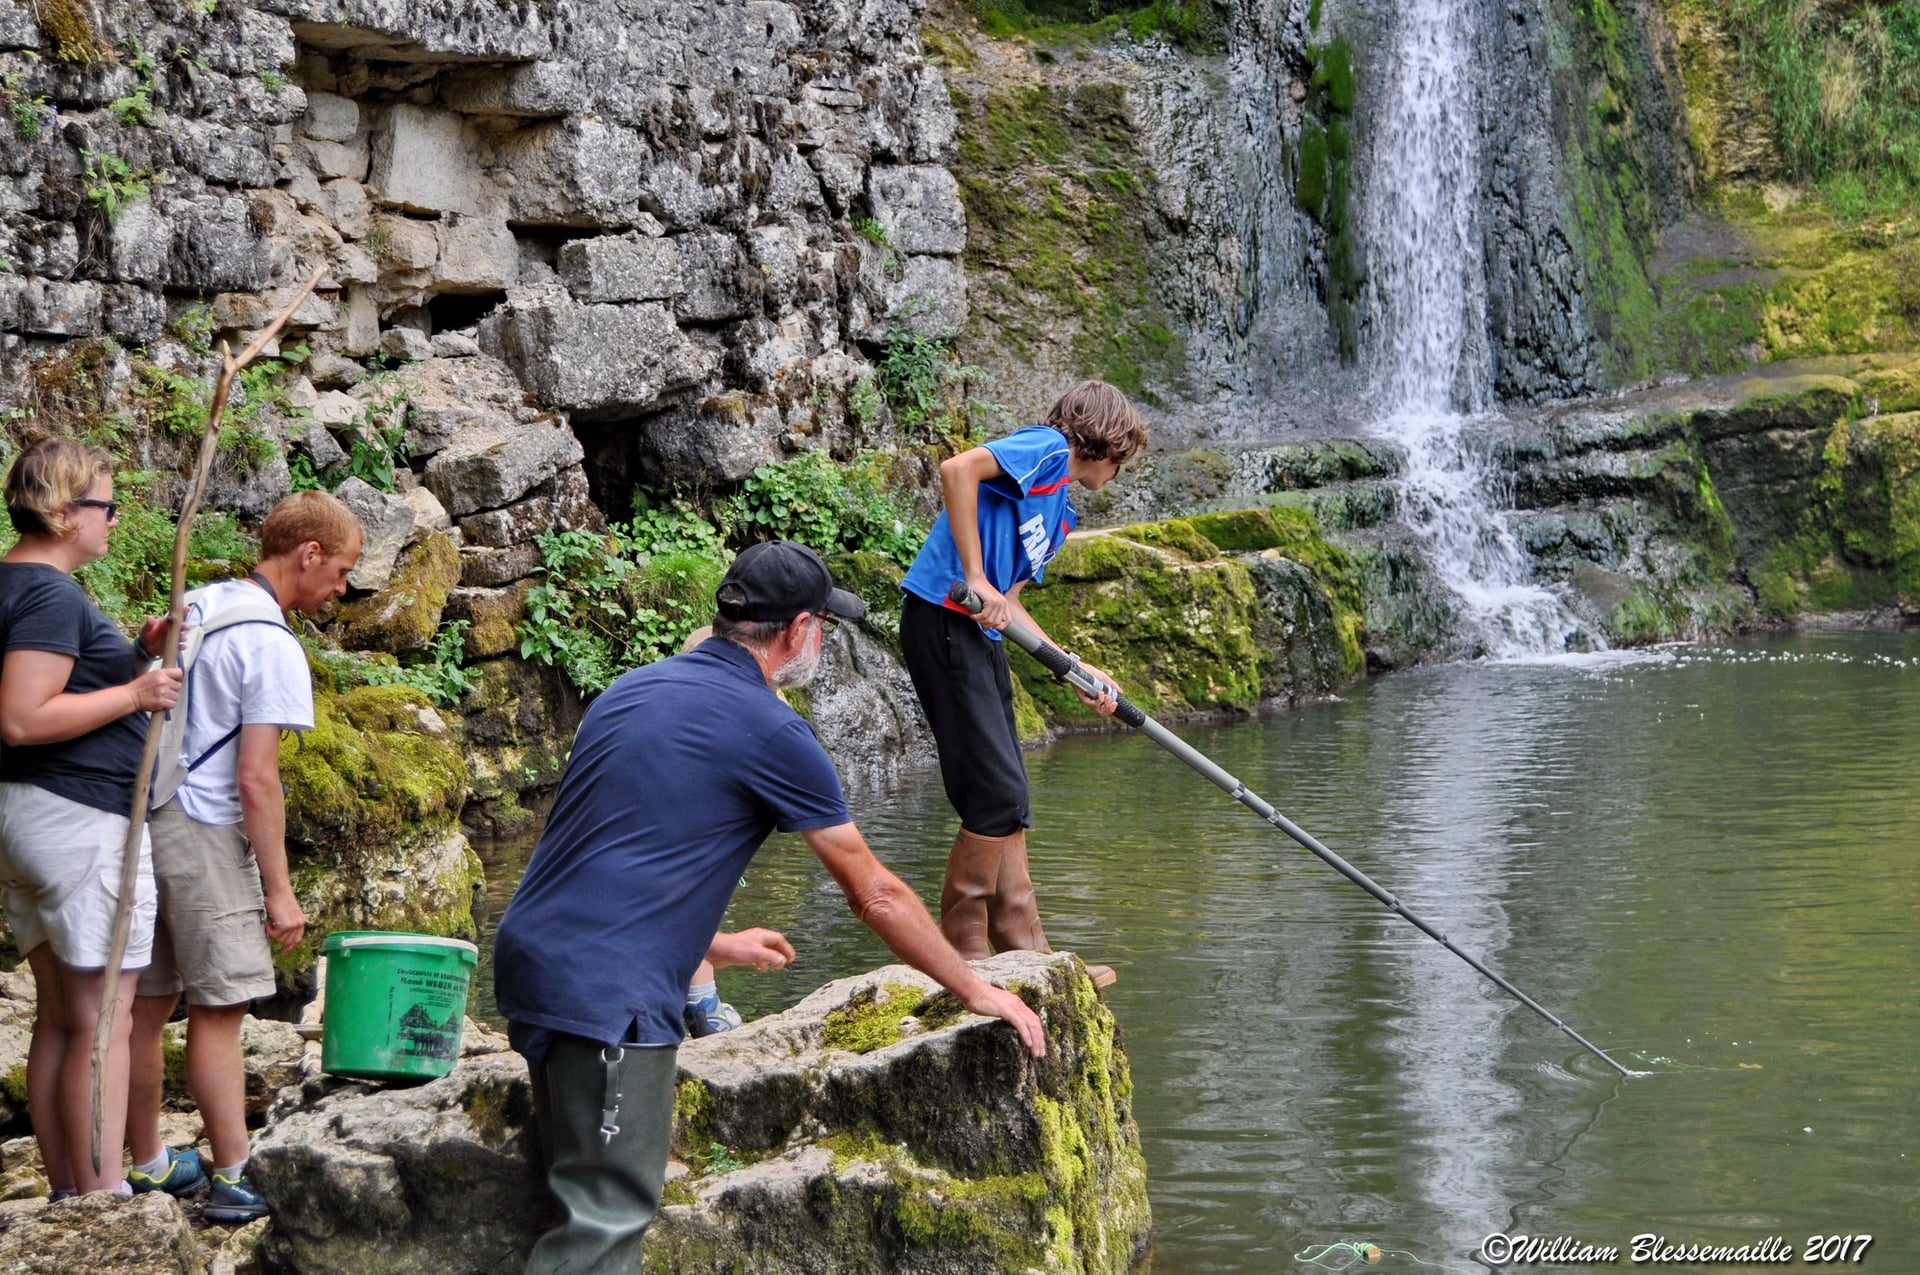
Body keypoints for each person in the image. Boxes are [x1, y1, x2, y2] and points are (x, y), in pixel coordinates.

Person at [494, 539, 1045, 1272]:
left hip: (535, 966)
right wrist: (977, 987)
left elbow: (607, 860)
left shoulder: (631, 689)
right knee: (605, 1222)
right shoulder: (773, 729)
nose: (823, 640)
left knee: (578, 1199)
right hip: (609, 997)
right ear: (797, 631)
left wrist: (713, 944)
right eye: (825, 625)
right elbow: (874, 891)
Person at [124, 490, 363, 1222]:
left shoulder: (199, 602)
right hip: (205, 827)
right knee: (221, 1006)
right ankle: (232, 1171)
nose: (342, 587)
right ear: (308, 553)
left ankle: (147, 1163)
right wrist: (280, 893)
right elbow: (257, 778)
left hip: (144, 814)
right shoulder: (272, 643)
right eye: (343, 569)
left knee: (144, 1004)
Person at [897, 380, 1148, 983]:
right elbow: (957, 470)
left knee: (1012, 796)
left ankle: (1027, 949)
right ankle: (963, 950)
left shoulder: (1058, 510)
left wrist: (1073, 667)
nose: (1120, 471)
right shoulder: (1047, 450)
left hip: (980, 635)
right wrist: (975, 575)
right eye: (1123, 460)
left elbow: (1008, 602)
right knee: (995, 793)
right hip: (942, 617)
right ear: (1107, 443)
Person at [0, 437, 182, 1198]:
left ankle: (72, 1192)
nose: (114, 519)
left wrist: (133, 658)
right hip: (77, 820)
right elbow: (22, 715)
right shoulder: (48, 593)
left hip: (26, 819)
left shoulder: (13, 586)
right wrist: (140, 694)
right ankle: (105, 1201)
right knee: (102, 1017)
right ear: (64, 511)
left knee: (62, 1017)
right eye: (106, 505)